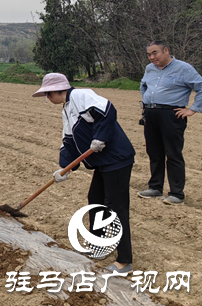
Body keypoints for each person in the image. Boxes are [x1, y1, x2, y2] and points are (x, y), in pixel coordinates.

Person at [33, 73, 135, 274]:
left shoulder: (80, 96)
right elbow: (68, 142)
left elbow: (107, 110)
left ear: (56, 90)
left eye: (47, 94)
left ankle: (125, 261)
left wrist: (100, 137)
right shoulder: (67, 109)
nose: (47, 99)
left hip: (116, 159)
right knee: (95, 200)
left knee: (116, 207)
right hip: (103, 164)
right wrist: (64, 168)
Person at [138, 41, 202, 205]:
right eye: (149, 54)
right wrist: (146, 101)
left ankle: (176, 193)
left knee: (173, 154)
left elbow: (200, 86)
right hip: (150, 114)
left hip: (171, 115)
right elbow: (143, 85)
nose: (152, 57)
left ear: (166, 50)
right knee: (154, 152)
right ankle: (155, 188)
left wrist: (193, 109)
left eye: (155, 53)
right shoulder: (149, 68)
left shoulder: (184, 68)